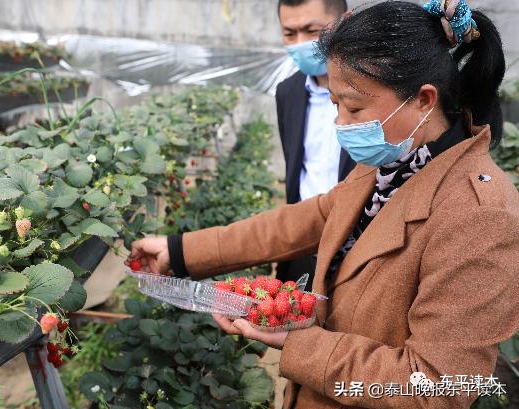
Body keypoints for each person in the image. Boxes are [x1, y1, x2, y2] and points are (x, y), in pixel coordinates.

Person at [129, 1, 519, 408]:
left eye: (353, 108)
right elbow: (307, 219)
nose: (340, 125)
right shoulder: (392, 163)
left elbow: (439, 387)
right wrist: (179, 250)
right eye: (335, 105)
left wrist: (300, 343)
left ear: (423, 99)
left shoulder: (478, 216)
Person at [276, 0, 356, 288]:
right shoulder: (288, 93)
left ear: (343, 23)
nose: (301, 43)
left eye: (313, 31)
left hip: (358, 247)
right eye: (289, 33)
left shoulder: (374, 90)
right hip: (304, 241)